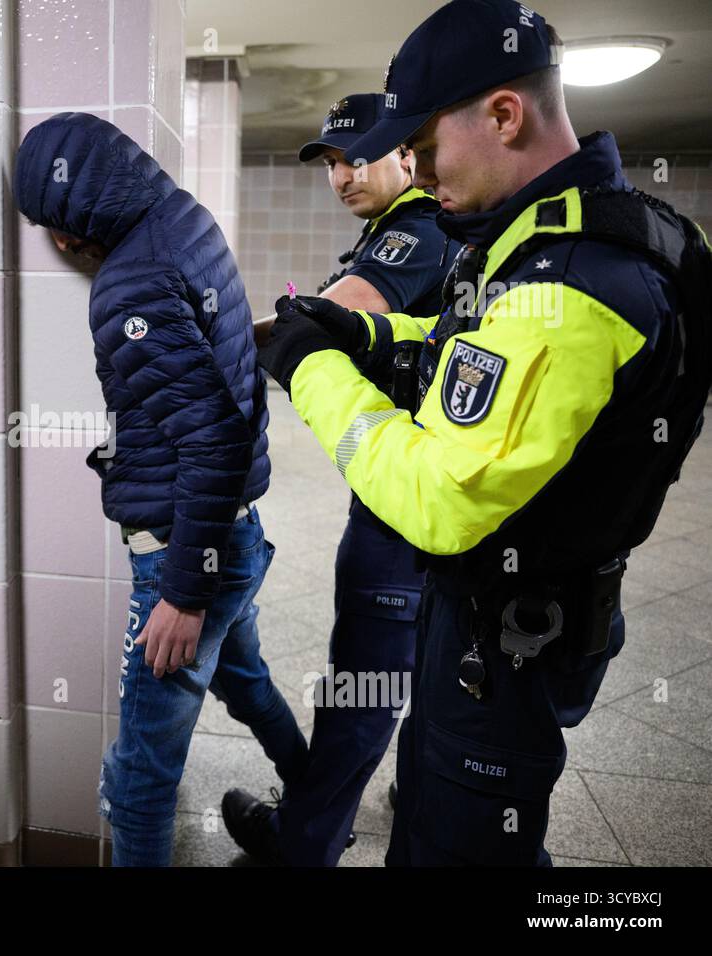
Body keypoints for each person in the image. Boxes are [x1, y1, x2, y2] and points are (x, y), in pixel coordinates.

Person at [255, 0, 711, 865]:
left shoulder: (574, 281)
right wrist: (364, 335)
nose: (418, 174)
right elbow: (475, 343)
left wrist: (309, 366)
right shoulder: (569, 234)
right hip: (497, 611)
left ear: (503, 114)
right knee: (444, 817)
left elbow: (440, 498)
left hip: (507, 642)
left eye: (423, 149)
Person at [14, 111, 307, 866]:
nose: (54, 242)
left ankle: (312, 809)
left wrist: (181, 593)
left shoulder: (130, 285)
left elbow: (211, 434)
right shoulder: (185, 220)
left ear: (72, 222)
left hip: (188, 551)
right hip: (233, 532)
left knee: (139, 775)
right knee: (246, 684)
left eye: (50, 223)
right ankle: (316, 807)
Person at [224, 92, 459, 866]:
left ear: (407, 156)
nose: (341, 174)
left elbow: (317, 321)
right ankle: (419, 799)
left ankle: (304, 845)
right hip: (438, 495)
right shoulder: (425, 228)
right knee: (428, 670)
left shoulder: (413, 233)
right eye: (330, 162)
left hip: (399, 506)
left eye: (358, 157)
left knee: (361, 688)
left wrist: (208, 340)